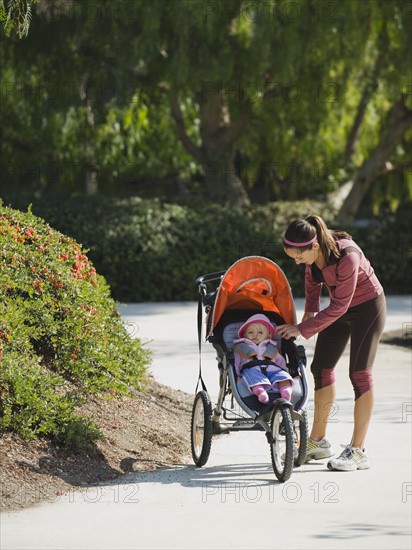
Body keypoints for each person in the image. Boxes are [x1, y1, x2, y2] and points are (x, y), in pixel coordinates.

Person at [276, 215, 386, 471]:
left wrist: (302, 330)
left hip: (368, 309)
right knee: (320, 368)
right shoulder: (311, 261)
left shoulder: (347, 256)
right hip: (341, 309)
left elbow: (339, 307)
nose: (296, 261)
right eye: (292, 257)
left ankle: (358, 450)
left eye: (299, 257)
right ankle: (317, 441)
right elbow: (312, 303)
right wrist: (299, 331)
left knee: (359, 373)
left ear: (313, 246)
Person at [232, 313, 293, 404]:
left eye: (260, 332)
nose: (255, 335)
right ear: (244, 335)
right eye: (250, 332)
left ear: (268, 335)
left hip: (273, 369)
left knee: (284, 377)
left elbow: (281, 362)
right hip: (252, 370)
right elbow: (235, 362)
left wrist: (286, 371)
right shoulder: (241, 347)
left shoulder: (271, 347)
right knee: (252, 378)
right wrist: (236, 375)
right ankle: (261, 393)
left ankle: (285, 391)